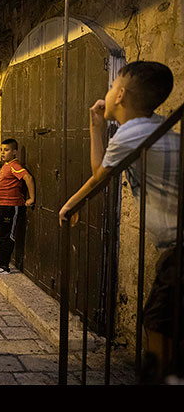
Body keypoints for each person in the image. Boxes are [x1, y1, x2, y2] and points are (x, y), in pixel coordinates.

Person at [59, 61, 181, 382]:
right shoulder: (162, 126)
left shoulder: (130, 134)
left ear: (121, 94)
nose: (108, 91)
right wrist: (98, 125)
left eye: (112, 86)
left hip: (177, 247)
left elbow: (99, 177)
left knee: (157, 320)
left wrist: (70, 205)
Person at [0, 138, 35, 276]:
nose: (2, 153)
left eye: (6, 150)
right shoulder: (6, 165)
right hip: (2, 205)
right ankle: (0, 261)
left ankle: (4, 265)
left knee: (8, 236)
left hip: (10, 206)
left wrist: (31, 198)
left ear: (14, 152)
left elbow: (28, 178)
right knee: (2, 236)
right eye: (1, 150)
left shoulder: (15, 165)